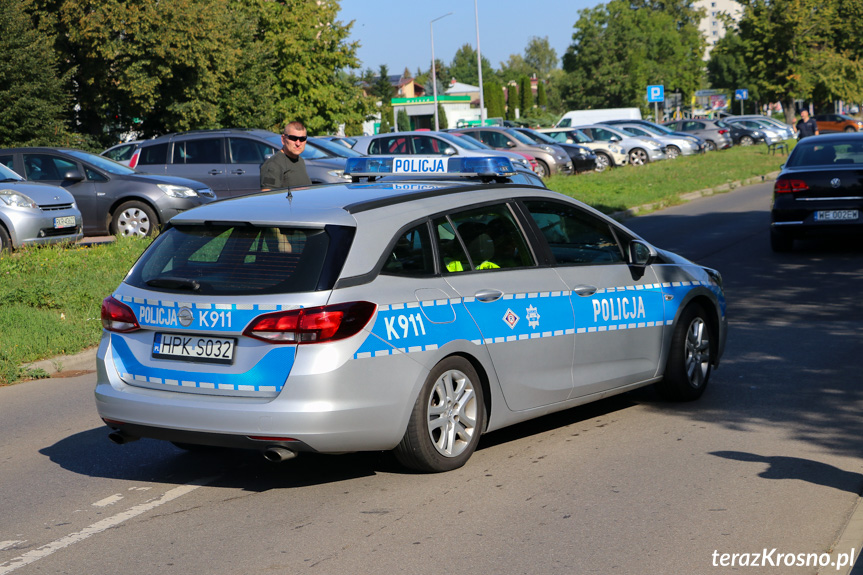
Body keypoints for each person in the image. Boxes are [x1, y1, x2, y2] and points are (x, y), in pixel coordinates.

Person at [260, 121, 312, 190]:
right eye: (293, 138)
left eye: (302, 139)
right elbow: (267, 196)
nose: (298, 143)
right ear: (283, 139)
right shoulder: (273, 164)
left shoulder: (300, 160)